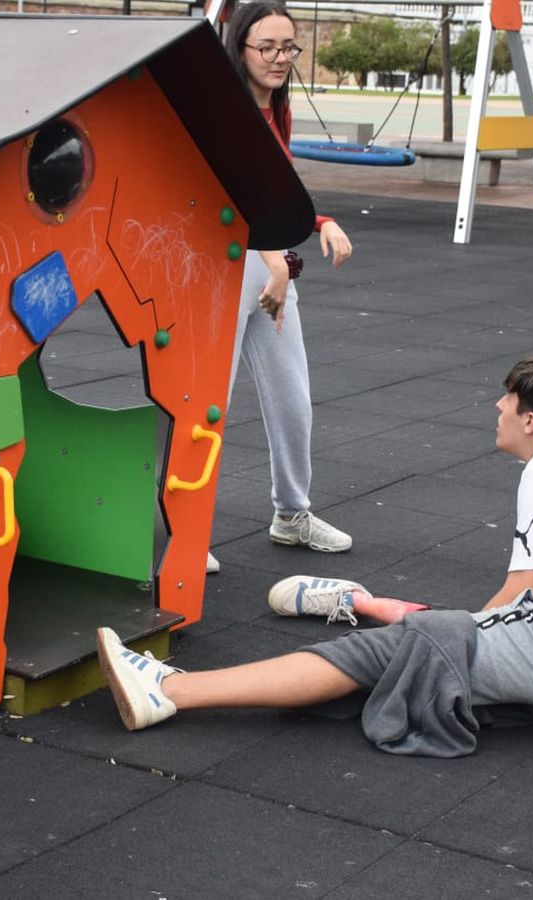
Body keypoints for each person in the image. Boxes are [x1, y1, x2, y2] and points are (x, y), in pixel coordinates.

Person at [96, 355, 533, 758]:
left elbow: (522, 590)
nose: (497, 405)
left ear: (530, 420)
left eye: (508, 398)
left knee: (394, 653)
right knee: (426, 647)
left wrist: (435, 636)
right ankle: (372, 605)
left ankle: (169, 691)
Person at [213, 0, 354, 565]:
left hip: (266, 266)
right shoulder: (225, 113)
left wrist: (319, 221)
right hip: (224, 267)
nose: (278, 58)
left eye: (288, 48)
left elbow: (276, 189)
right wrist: (273, 258)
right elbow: (229, 195)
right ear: (241, 48)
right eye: (266, 47)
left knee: (293, 398)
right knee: (207, 410)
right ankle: (180, 531)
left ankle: (292, 514)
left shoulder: (277, 110)